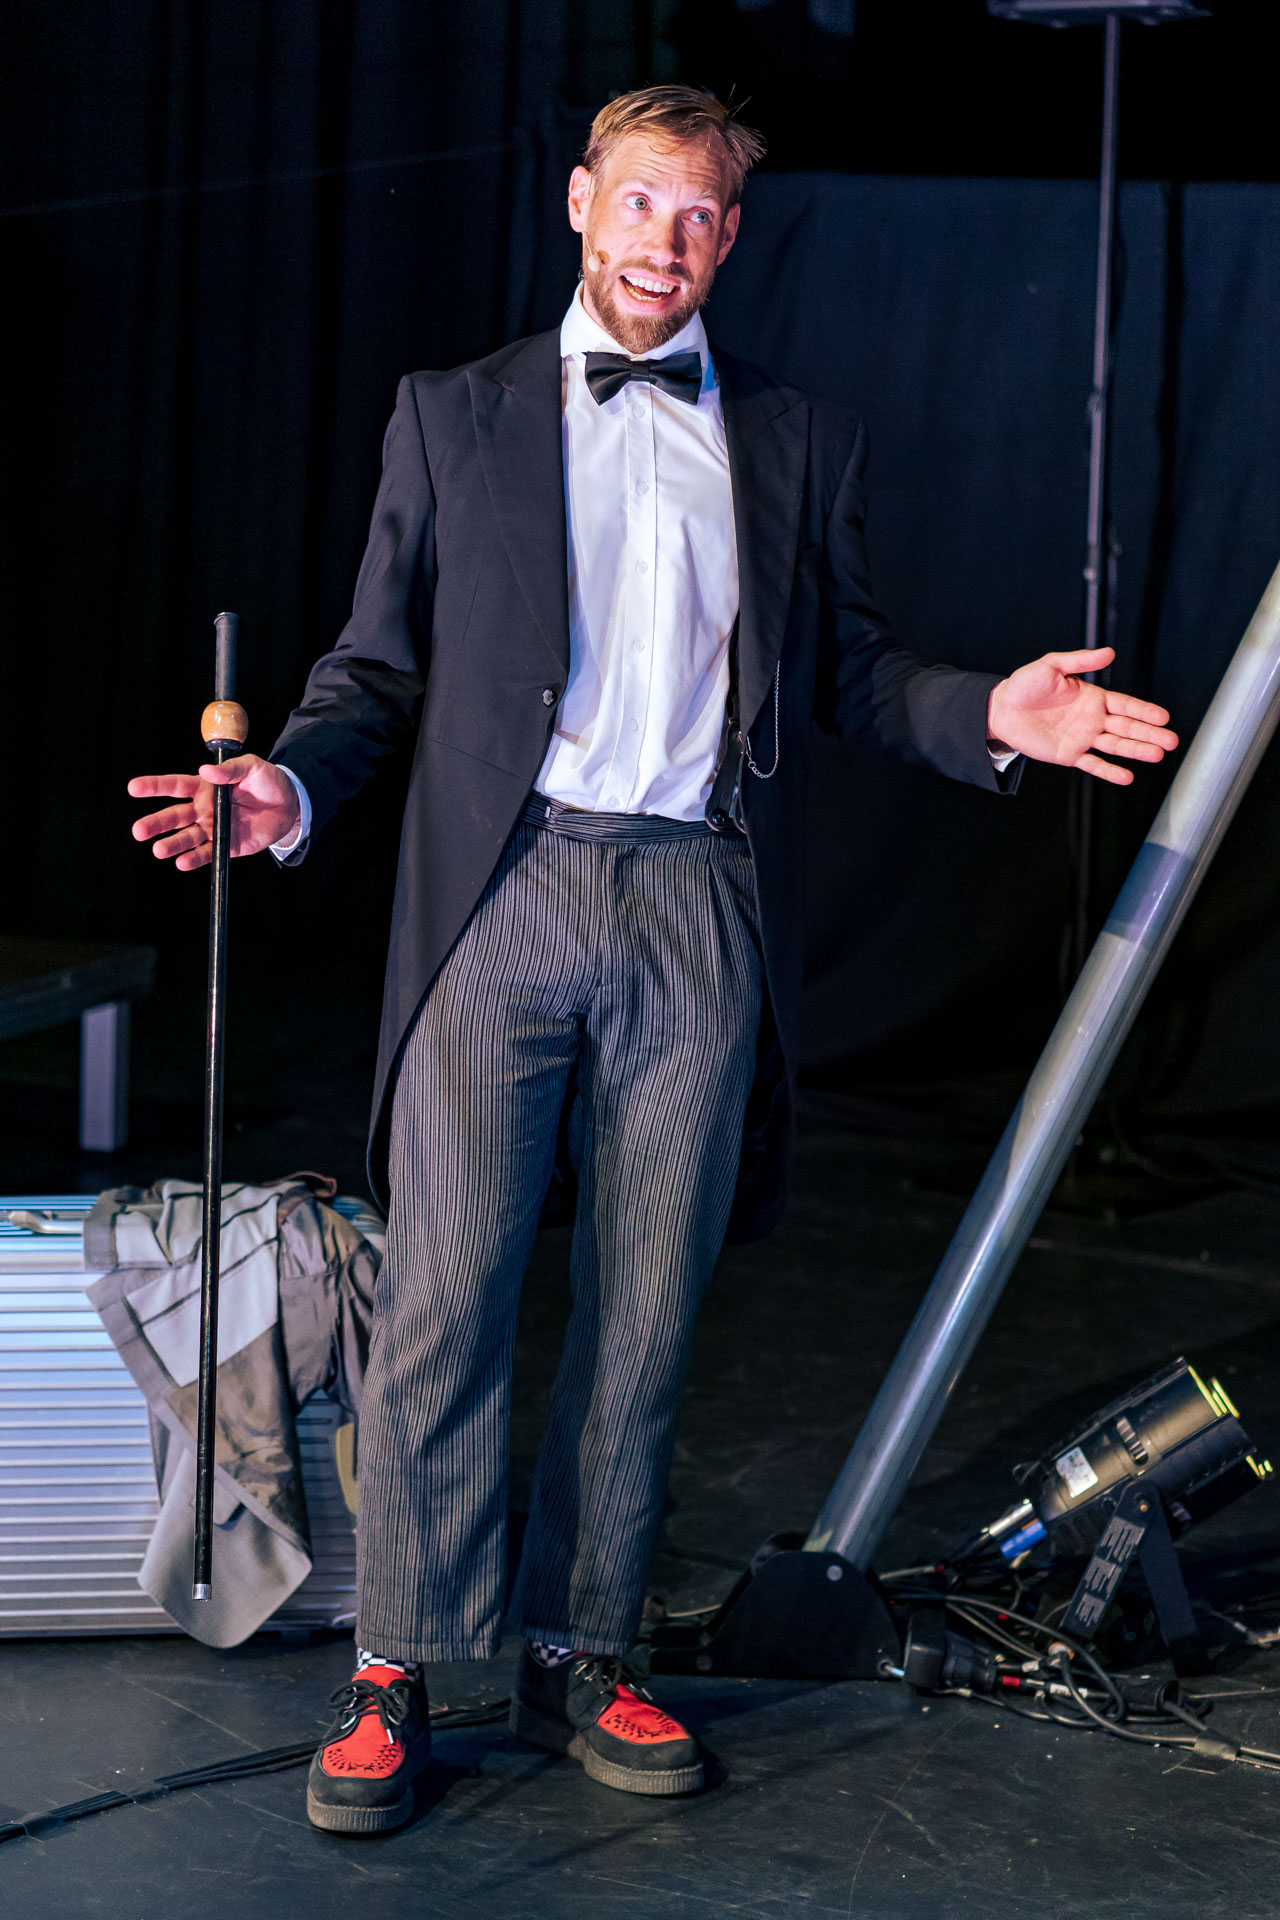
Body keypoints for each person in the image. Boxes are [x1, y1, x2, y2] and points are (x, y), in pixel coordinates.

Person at [128, 85, 1178, 1834]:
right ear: (578, 204)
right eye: (639, 204)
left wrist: (990, 712)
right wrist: (287, 790)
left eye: (699, 217)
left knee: (644, 1309)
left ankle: (584, 1645)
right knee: (447, 1297)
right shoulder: (453, 416)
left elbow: (850, 672)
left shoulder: (795, 437)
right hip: (509, 893)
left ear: (731, 238)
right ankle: (399, 1669)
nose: (664, 245)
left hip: (698, 903)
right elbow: (373, 673)